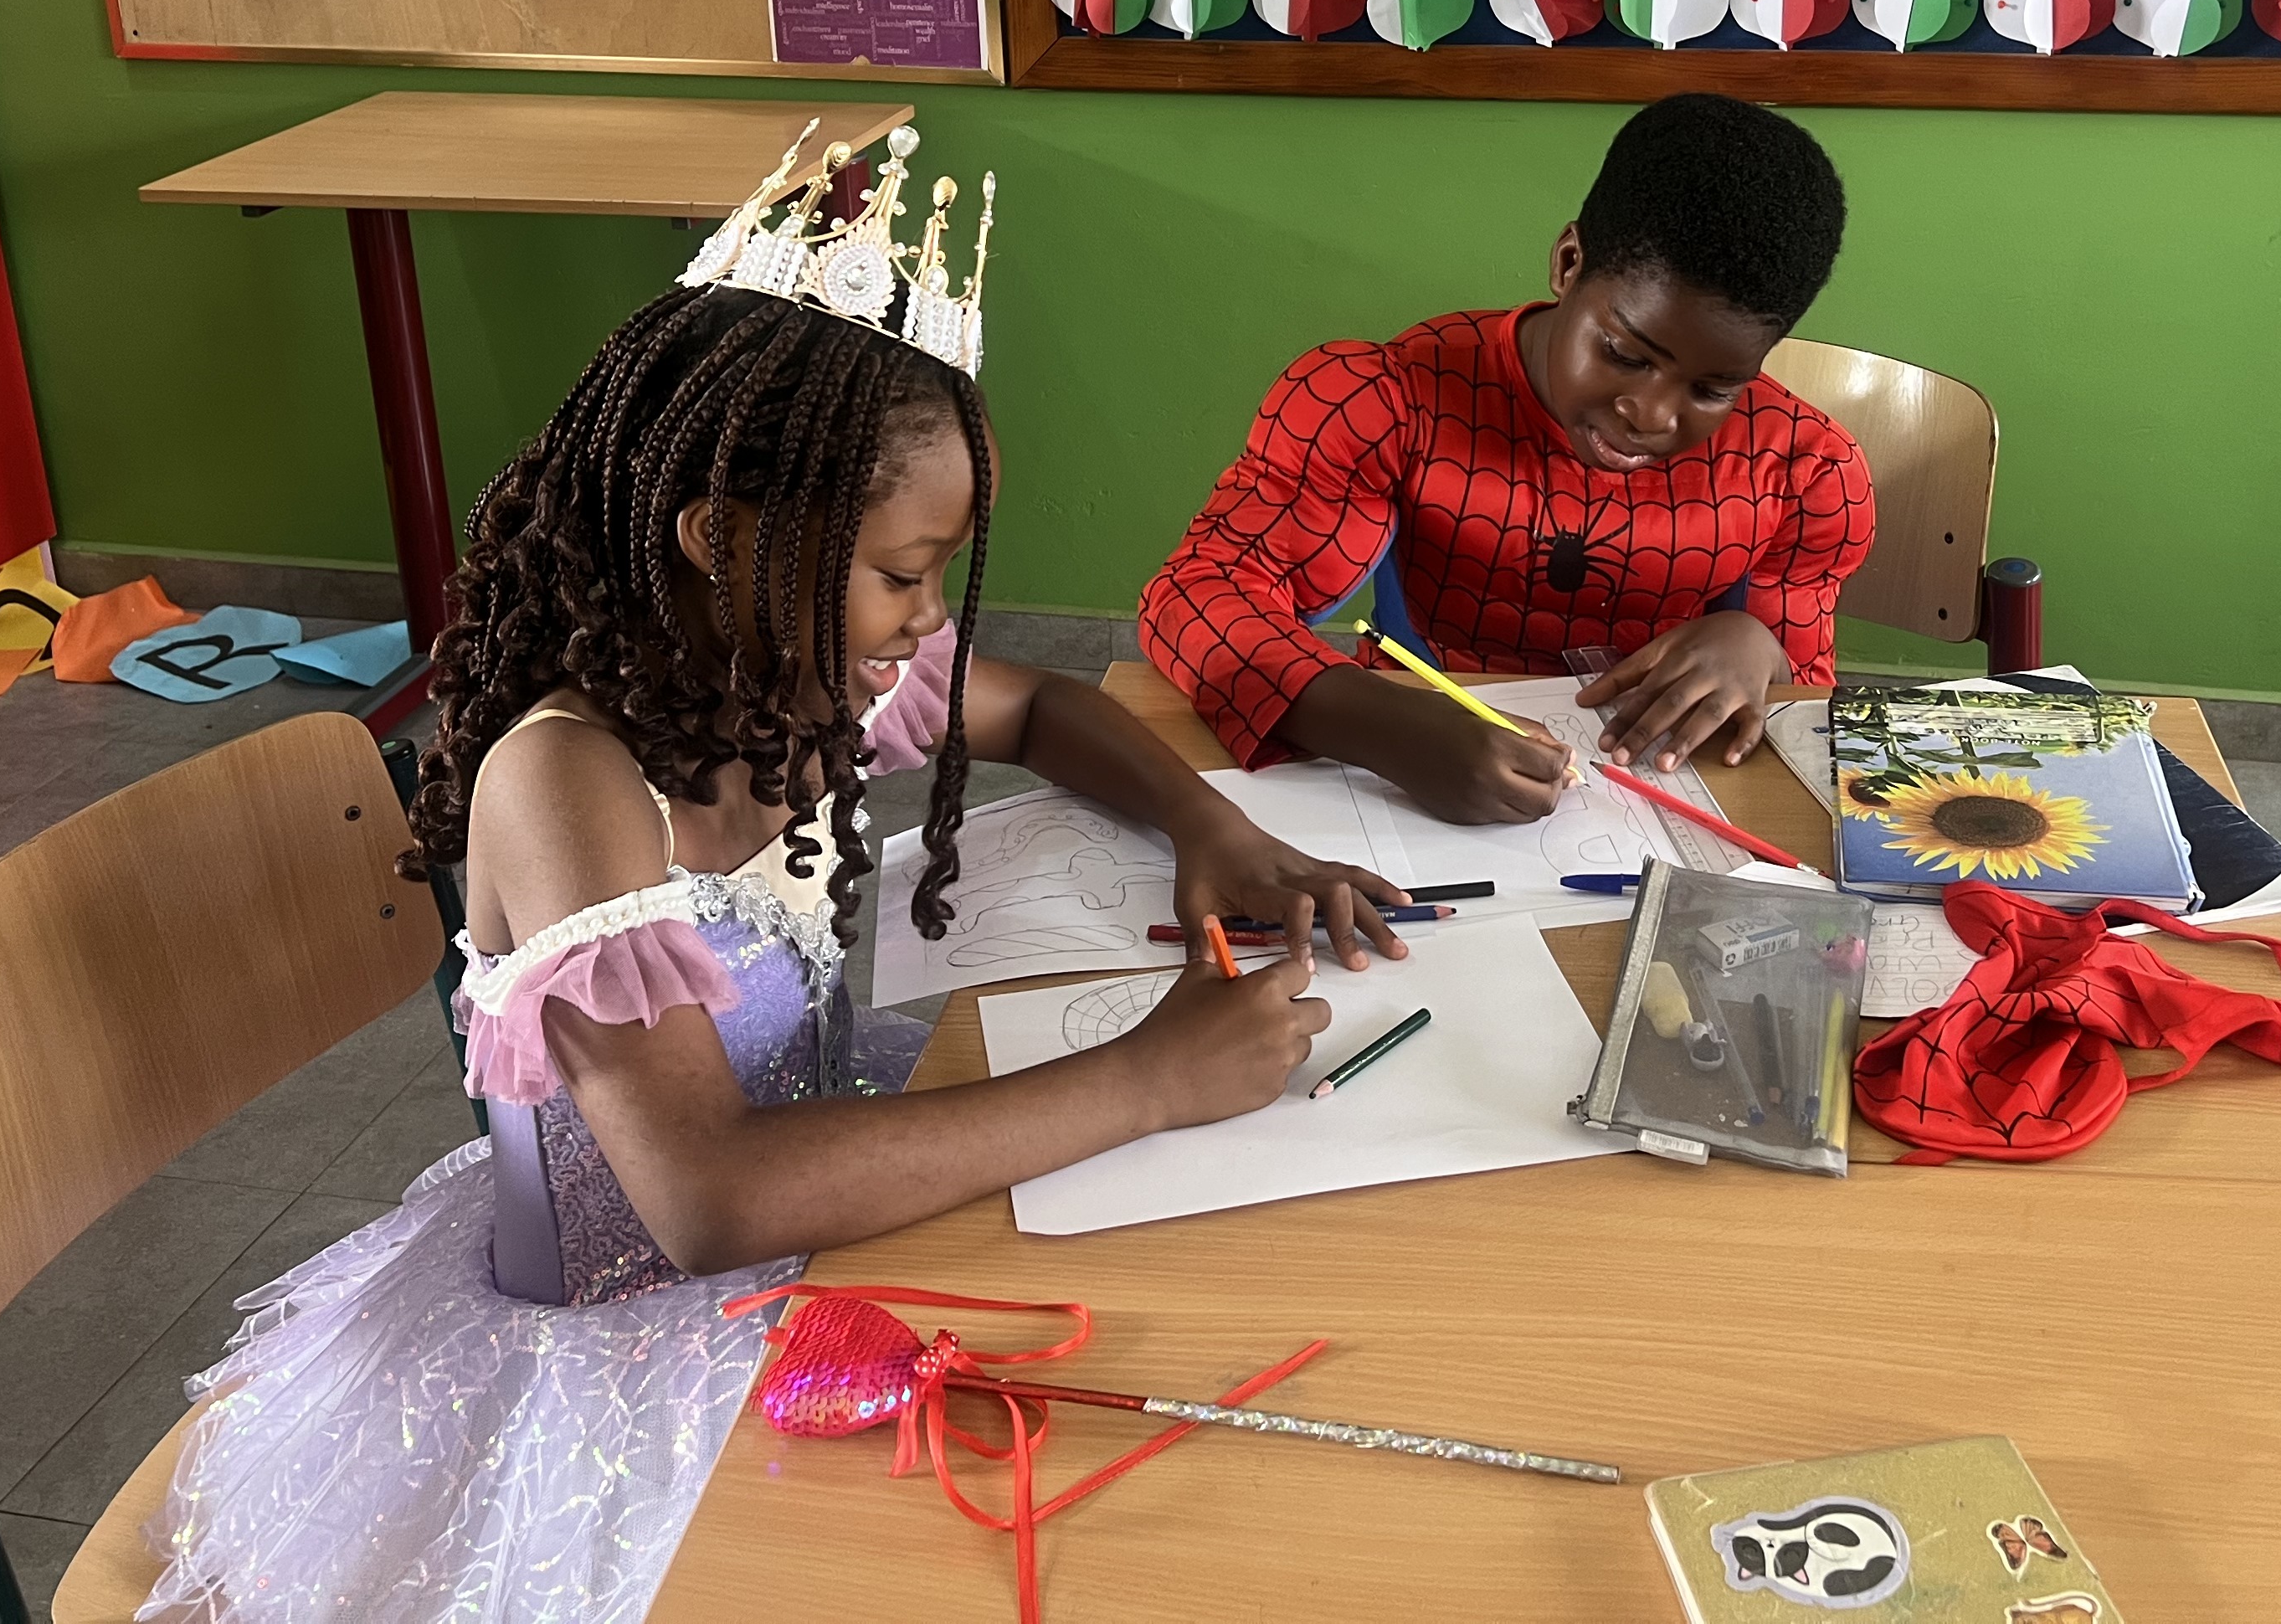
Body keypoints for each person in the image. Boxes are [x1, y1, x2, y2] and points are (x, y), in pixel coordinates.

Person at [137, 131, 1395, 1624]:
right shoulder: (570, 784)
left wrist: (1205, 824)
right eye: (902, 574)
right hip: (636, 1343)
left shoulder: (790, 676)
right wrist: (1144, 1079)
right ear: (721, 540)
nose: (924, 620)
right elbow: (705, 1196)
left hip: (819, 1230)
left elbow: (1038, 707)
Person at [1140, 94, 1873, 826]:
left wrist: (1759, 648)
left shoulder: (1805, 471)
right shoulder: (1386, 400)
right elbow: (1195, 597)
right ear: (1569, 262)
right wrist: (1387, 727)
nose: (1651, 415)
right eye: (1624, 353)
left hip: (1660, 800)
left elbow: (1803, 717)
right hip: (1407, 786)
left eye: (1712, 390)